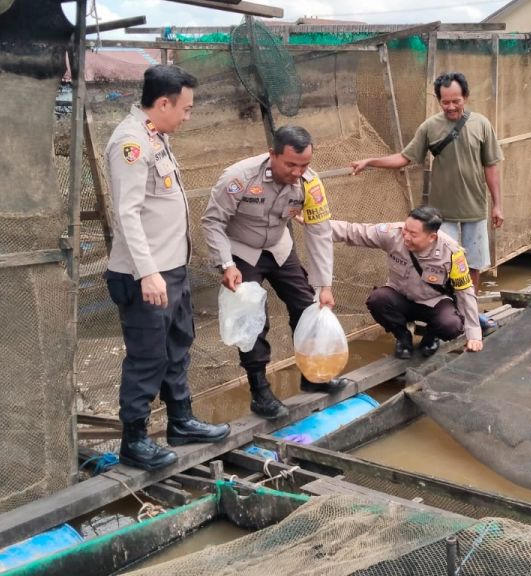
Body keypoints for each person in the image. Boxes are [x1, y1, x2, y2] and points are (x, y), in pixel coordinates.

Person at [104, 65, 229, 472]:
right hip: (146, 275)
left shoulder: (155, 136)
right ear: (162, 103)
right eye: (186, 108)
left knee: (177, 345)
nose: (187, 116)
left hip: (170, 269)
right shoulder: (131, 143)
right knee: (148, 355)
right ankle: (134, 441)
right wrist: (148, 272)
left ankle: (181, 420)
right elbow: (128, 213)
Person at [202, 125, 341, 421]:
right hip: (242, 250)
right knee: (252, 316)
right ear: (272, 155)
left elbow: (319, 233)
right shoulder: (238, 178)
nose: (297, 172)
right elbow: (212, 222)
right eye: (290, 164)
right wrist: (226, 264)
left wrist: (324, 284)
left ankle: (313, 374)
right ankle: (260, 391)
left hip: (279, 247)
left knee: (308, 306)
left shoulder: (311, 184)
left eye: (304, 165)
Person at [350, 72, 503, 294]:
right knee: (441, 262)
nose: (450, 107)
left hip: (475, 207)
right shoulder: (430, 127)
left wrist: (497, 204)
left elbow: (491, 166)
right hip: (442, 212)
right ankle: (445, 307)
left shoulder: (482, 124)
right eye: (445, 102)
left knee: (473, 265)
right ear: (439, 100)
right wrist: (371, 161)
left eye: (456, 101)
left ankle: (470, 308)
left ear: (466, 97)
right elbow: (404, 157)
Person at [333, 206, 483, 359]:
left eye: (413, 234)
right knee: (377, 300)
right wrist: (318, 226)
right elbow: (354, 231)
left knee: (451, 325)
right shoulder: (393, 234)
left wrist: (474, 336)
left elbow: (465, 292)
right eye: (406, 229)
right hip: (401, 297)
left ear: (431, 237)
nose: (406, 236)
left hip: (434, 302)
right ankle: (403, 337)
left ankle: (432, 336)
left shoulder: (452, 253)